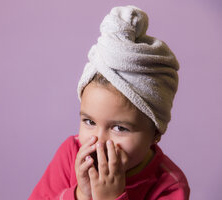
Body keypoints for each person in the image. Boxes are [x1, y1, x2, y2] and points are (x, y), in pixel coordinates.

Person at [29, 5, 190, 200]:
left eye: (120, 128)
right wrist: (80, 195)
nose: (99, 141)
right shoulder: (70, 154)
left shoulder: (170, 186)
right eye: (89, 122)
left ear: (155, 133)